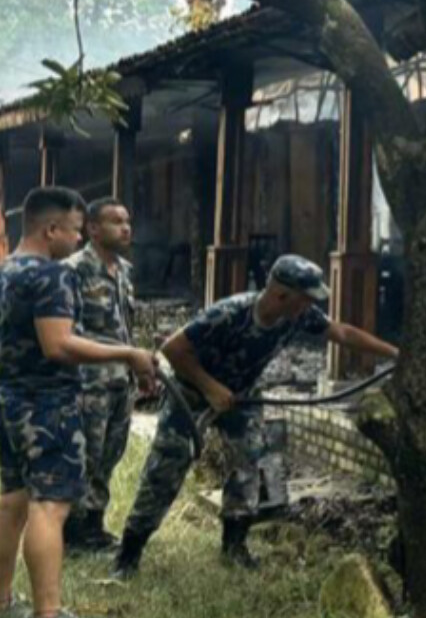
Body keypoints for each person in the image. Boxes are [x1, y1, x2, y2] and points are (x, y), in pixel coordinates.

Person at [114, 255, 398, 577]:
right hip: (192, 394)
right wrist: (210, 388)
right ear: (281, 295)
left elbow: (343, 333)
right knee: (166, 468)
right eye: (306, 298)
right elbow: (172, 349)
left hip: (242, 397)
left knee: (248, 465)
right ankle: (129, 554)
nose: (311, 306)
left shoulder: (298, 316)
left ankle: (234, 546)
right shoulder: (230, 313)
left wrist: (395, 354)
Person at [0, 187, 156, 618]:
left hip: (9, 400)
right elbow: (58, 344)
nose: (79, 238)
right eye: (73, 230)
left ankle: (3, 600)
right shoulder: (53, 275)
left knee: (11, 501)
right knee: (49, 507)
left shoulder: (6, 270)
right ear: (51, 230)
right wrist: (128, 354)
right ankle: (48, 612)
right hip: (46, 405)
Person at [65, 200, 140, 554]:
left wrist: (137, 367)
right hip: (88, 384)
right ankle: (72, 531)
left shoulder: (124, 271)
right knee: (85, 456)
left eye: (127, 221)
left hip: (121, 382)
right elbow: (68, 334)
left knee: (110, 455)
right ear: (93, 228)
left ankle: (93, 526)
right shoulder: (74, 270)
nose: (125, 228)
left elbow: (125, 327)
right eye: (115, 221)